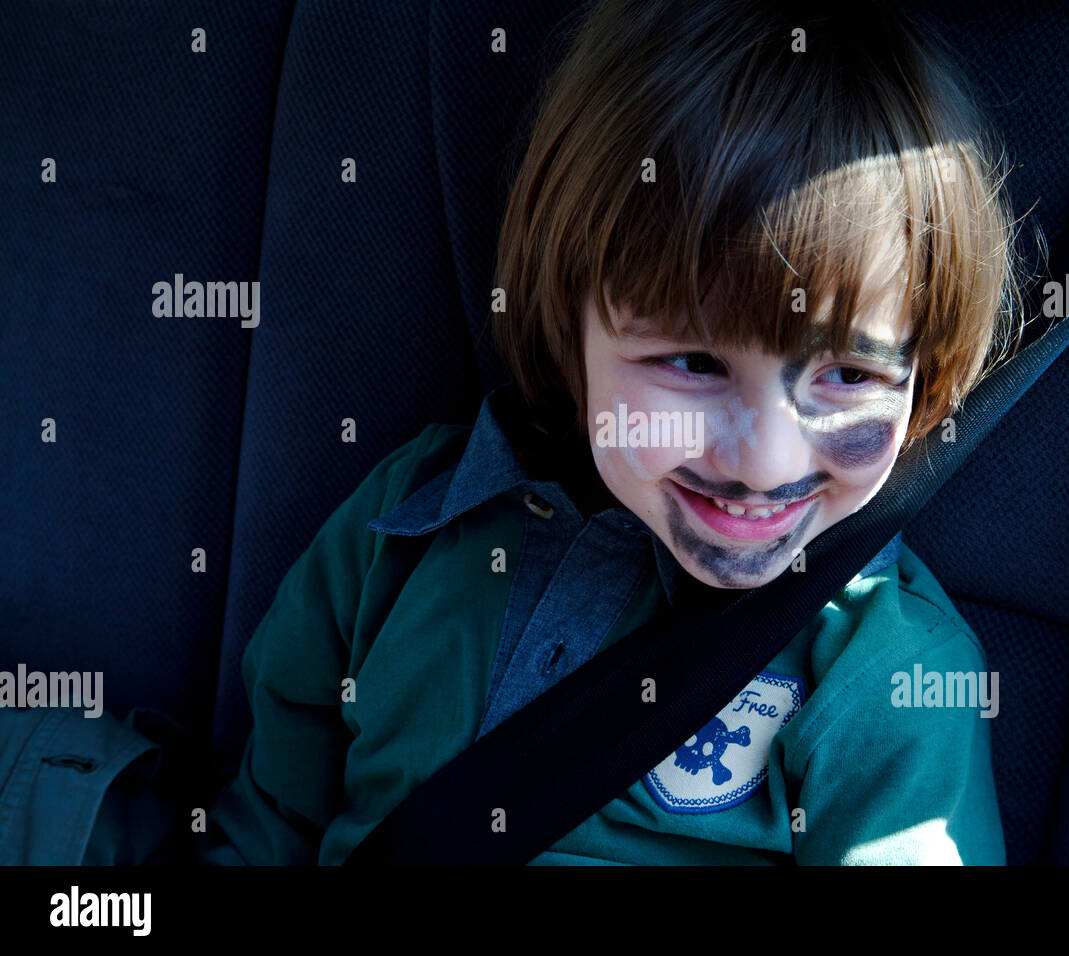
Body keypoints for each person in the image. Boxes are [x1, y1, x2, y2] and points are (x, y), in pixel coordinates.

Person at [199, 0, 1026, 865]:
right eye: (694, 365)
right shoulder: (407, 526)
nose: (762, 462)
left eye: (849, 377)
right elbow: (267, 824)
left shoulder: (882, 669)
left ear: (925, 382)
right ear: (570, 328)